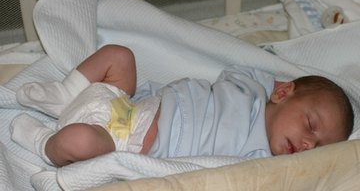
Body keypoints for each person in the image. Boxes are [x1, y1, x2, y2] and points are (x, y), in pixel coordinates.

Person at [10, 44, 354, 167]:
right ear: (283, 94)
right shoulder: (249, 87)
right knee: (119, 56)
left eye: (318, 146)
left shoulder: (260, 158)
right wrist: (273, 86)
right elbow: (244, 68)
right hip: (127, 104)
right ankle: (66, 92)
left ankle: (43, 143)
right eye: (310, 125)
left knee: (79, 142)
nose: (309, 143)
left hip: (119, 142)